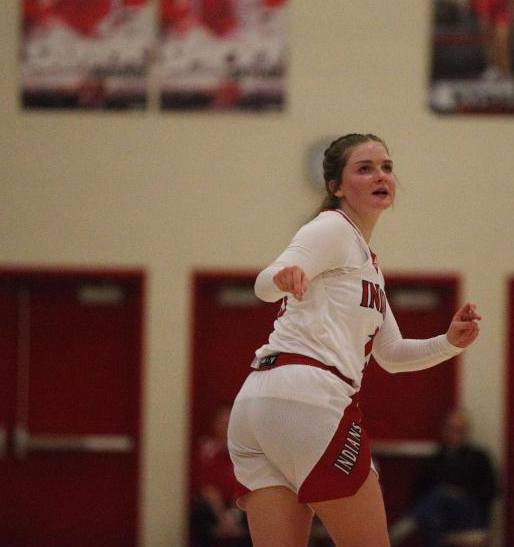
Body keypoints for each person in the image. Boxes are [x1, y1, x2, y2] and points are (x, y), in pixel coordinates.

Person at [227, 133, 482, 547]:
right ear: (337, 188)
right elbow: (262, 283)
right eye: (365, 168)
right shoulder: (332, 228)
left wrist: (449, 342)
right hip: (306, 399)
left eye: (386, 167)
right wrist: (281, 277)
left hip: (256, 406)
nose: (380, 175)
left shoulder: (367, 262)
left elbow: (393, 355)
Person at [389, 409, 497, 547]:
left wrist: (459, 494)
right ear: (444, 430)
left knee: (439, 496)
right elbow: (417, 493)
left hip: (468, 512)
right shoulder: (434, 460)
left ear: (467, 432)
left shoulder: (479, 458)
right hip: (440, 515)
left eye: (460, 430)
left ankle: (399, 531)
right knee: (435, 508)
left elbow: (491, 491)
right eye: (452, 429)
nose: (455, 434)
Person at [190, 405, 249, 547]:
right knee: (199, 515)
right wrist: (222, 518)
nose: (226, 428)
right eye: (223, 423)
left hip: (241, 504)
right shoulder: (207, 451)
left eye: (230, 423)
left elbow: (250, 487)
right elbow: (208, 489)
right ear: (215, 425)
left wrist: (234, 514)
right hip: (215, 507)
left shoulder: (248, 451)